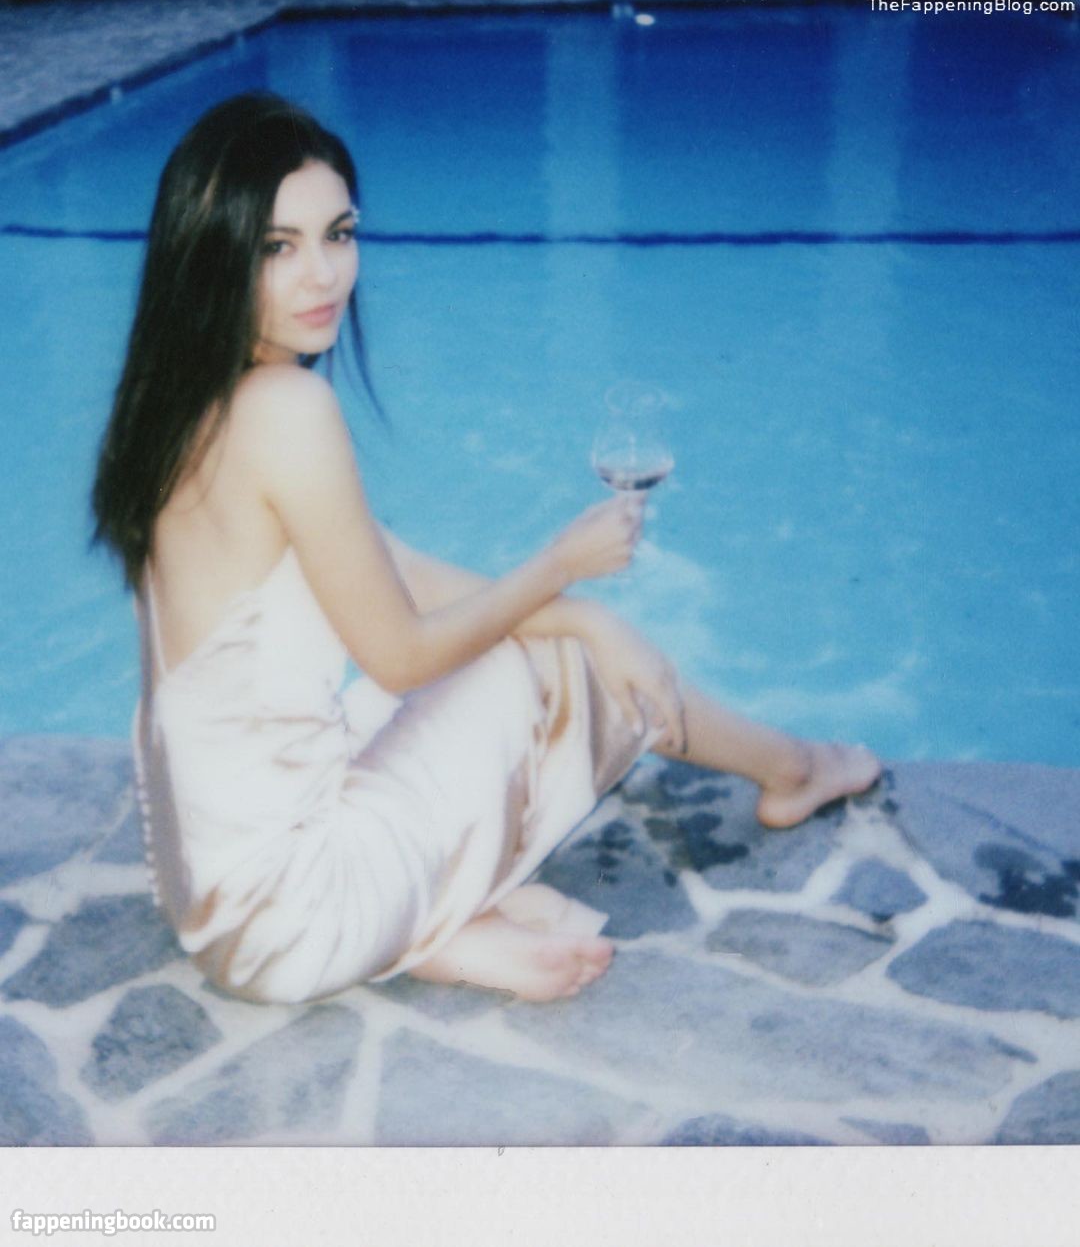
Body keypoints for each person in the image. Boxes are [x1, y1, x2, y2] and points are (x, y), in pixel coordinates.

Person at [91, 93, 881, 1007]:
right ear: (213, 252)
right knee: (546, 663)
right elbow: (402, 652)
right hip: (298, 911)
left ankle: (443, 917)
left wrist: (585, 615)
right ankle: (788, 770)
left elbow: (412, 579)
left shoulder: (176, 409)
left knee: (549, 639)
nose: (324, 274)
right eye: (278, 247)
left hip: (211, 900)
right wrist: (564, 570)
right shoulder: (287, 411)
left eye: (338, 234)